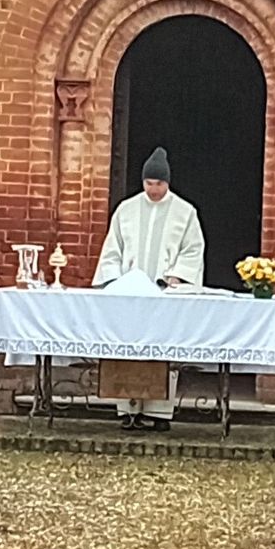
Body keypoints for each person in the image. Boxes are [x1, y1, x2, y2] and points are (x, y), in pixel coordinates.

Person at [92, 146, 205, 431]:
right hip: (130, 293)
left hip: (164, 292)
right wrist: (115, 279)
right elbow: (112, 249)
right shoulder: (126, 209)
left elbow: (192, 250)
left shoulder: (185, 212)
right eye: (149, 183)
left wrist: (177, 276)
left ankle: (159, 411)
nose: (154, 189)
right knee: (128, 346)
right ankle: (127, 408)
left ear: (168, 183)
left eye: (159, 184)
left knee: (161, 346)